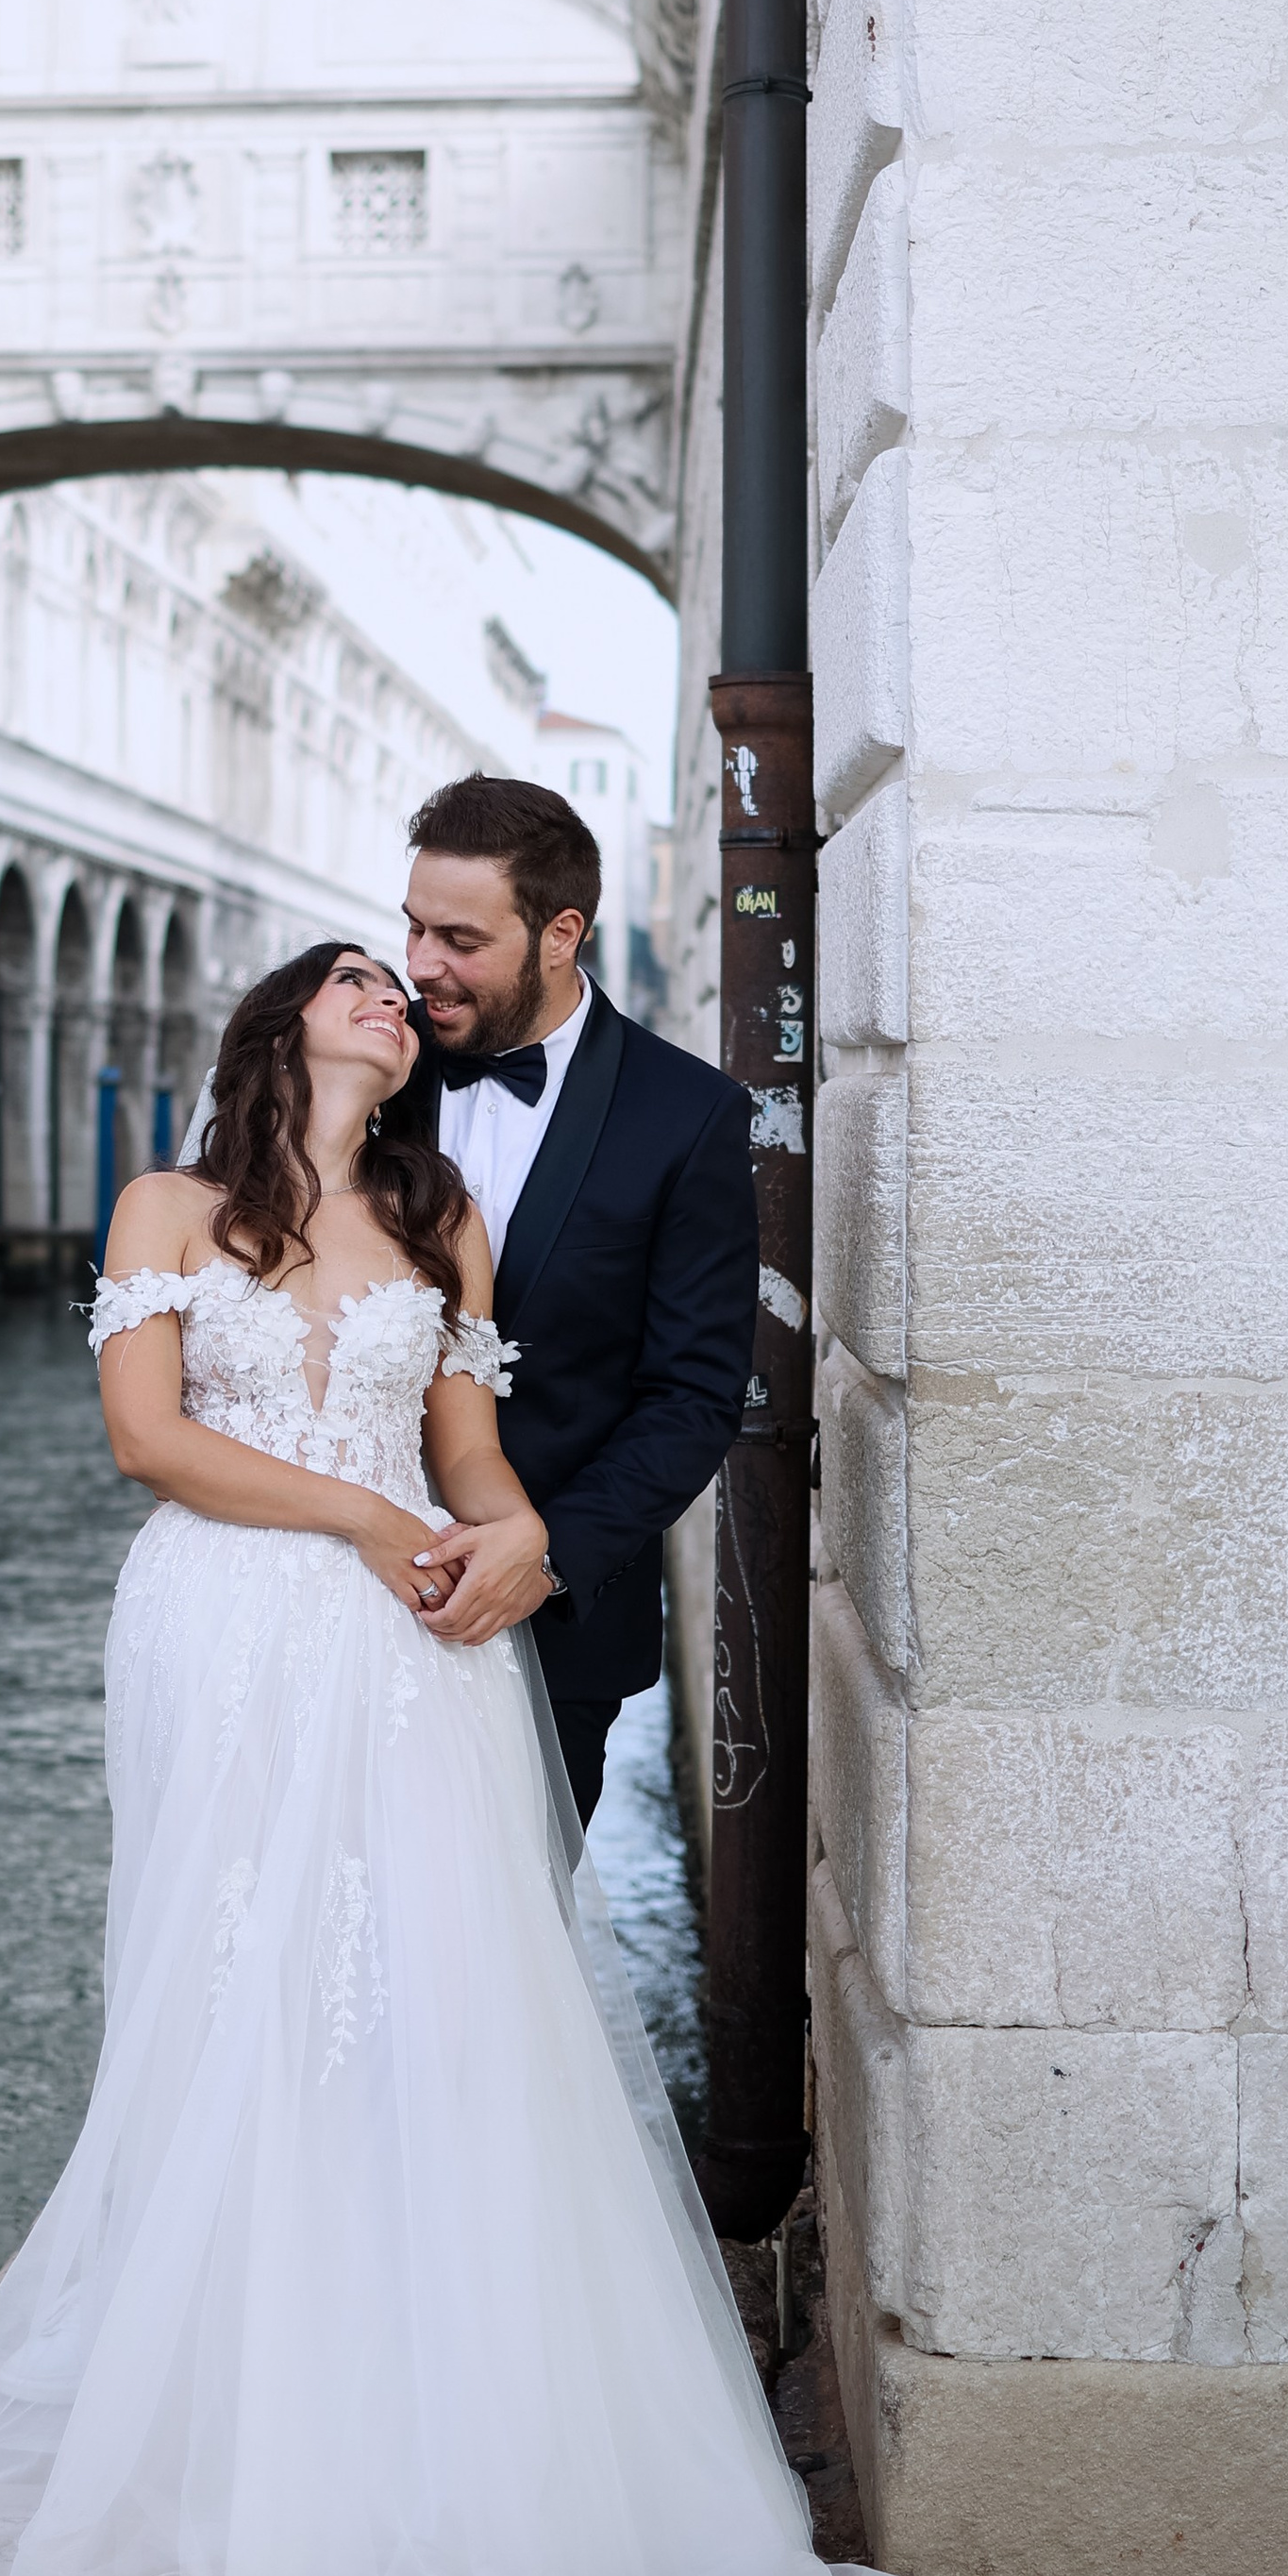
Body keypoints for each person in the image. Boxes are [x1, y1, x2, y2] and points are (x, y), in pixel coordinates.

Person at [0, 941, 919, 2576]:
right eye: (355, 975)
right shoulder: (165, 1205)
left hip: (412, 1643)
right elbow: (150, 1441)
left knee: (427, 1995)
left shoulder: (439, 1219)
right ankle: (221, 2395)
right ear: (281, 1021)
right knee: (231, 1976)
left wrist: (509, 1543)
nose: (389, 992)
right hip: (220, 1624)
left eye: (401, 977)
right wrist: (368, 1527)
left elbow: (471, 1453)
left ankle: (416, 2403)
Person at [393, 772, 759, 1828]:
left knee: (507, 1961)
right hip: (337, 1599)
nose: (422, 967)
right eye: (413, 929)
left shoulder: (685, 1116)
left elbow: (693, 1393)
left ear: (560, 933)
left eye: (459, 940)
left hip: (554, 1635)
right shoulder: (364, 1066)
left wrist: (543, 1554)